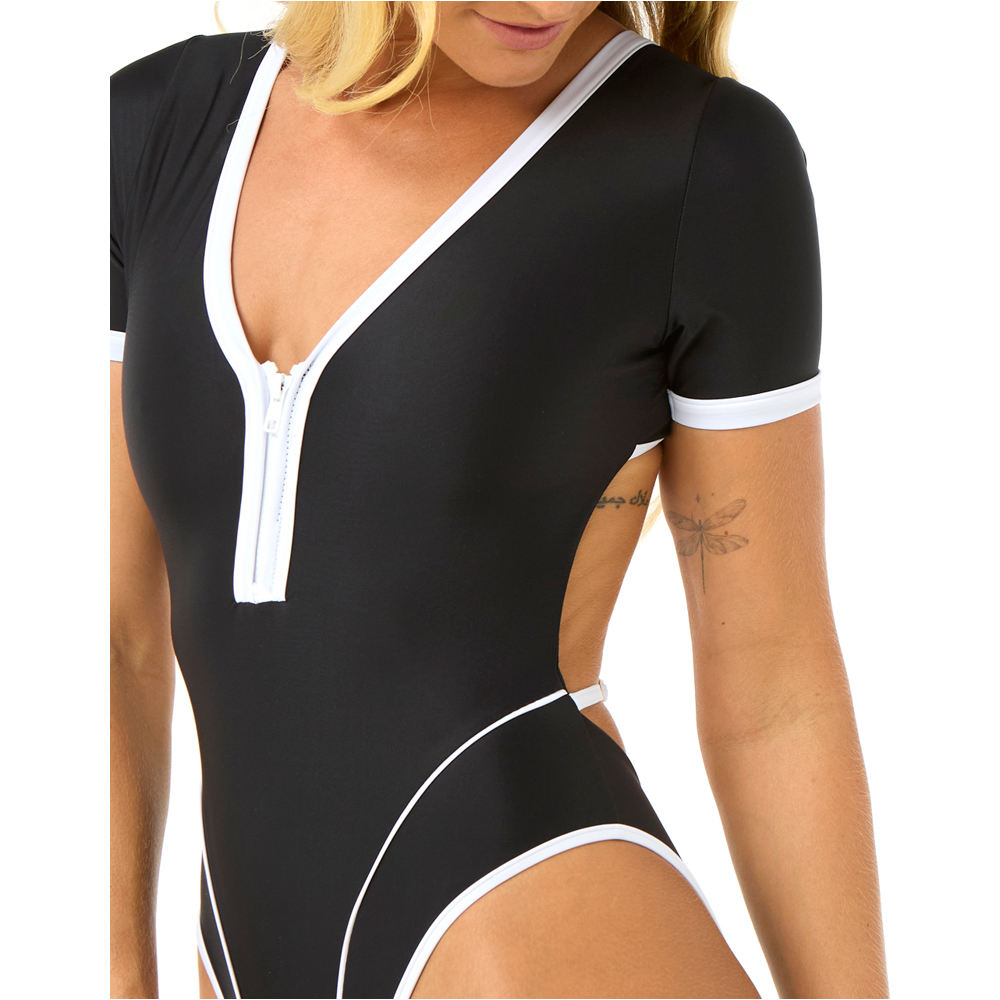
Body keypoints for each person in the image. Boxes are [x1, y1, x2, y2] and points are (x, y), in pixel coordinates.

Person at [110, 2, 888, 997]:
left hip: (528, 911)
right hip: (239, 949)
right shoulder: (157, 127)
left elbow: (771, 680)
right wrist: (119, 969)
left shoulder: (697, 161)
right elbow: (114, 630)